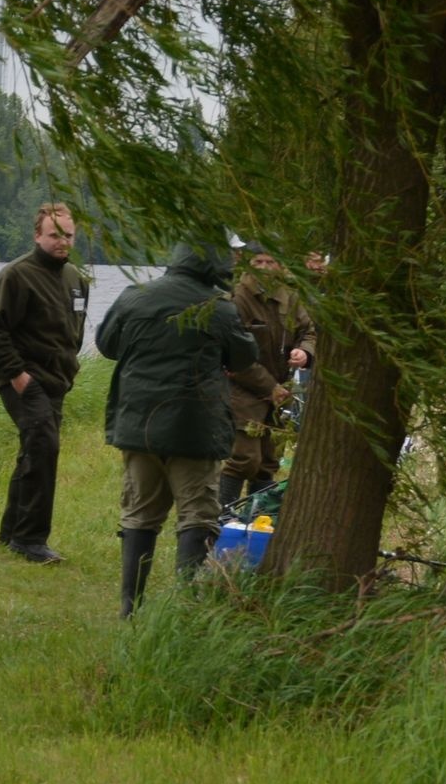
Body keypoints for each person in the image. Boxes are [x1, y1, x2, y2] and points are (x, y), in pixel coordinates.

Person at [95, 243, 258, 615]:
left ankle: (129, 607)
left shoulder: (134, 296)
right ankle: (185, 605)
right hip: (195, 429)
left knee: (139, 514)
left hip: (139, 425)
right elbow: (245, 357)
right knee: (197, 514)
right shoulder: (219, 308)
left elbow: (106, 345)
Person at [0, 203, 91, 564]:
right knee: (44, 447)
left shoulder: (76, 279)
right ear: (37, 235)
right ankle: (30, 540)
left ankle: (10, 533)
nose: (62, 241)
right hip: (24, 379)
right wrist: (18, 375)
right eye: (54, 235)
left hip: (58, 381)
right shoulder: (16, 276)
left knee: (34, 450)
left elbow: (75, 329)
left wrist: (70, 368)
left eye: (68, 235)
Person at [220, 250, 313, 520]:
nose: (264, 267)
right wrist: (270, 388)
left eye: (270, 261)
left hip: (281, 391)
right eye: (258, 262)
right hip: (243, 390)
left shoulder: (290, 296)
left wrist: (305, 352)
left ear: (280, 265)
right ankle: (220, 518)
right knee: (243, 458)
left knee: (268, 461)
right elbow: (234, 356)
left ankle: (257, 520)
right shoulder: (237, 299)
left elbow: (309, 330)